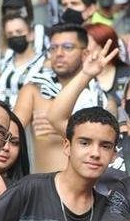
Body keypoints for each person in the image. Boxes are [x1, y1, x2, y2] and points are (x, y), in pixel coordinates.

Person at [15, 24, 112, 173]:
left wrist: (62, 127)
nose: (59, 53)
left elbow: (107, 144)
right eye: (53, 48)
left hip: (91, 189)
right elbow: (12, 129)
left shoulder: (103, 99)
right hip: (44, 187)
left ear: (85, 54)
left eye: (67, 47)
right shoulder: (34, 90)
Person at [0, 14, 45, 106]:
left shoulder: (43, 63)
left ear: (31, 34)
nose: (14, 36)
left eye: (19, 32)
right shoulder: (5, 62)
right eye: (10, 34)